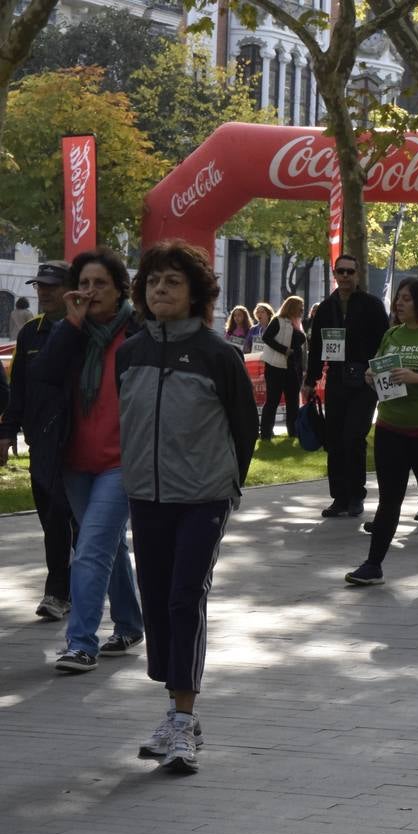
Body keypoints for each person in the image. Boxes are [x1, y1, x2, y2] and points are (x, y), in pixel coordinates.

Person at [117, 240, 257, 774]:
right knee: (155, 601)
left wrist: (229, 484)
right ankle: (175, 709)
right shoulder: (130, 353)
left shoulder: (218, 355)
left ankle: (181, 719)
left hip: (203, 497)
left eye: (172, 282)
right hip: (146, 496)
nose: (160, 290)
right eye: (153, 282)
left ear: (195, 292)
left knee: (183, 598)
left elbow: (246, 427)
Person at [29, 247, 144, 673]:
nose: (90, 291)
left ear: (119, 290)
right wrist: (72, 325)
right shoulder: (68, 331)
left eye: (100, 284)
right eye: (83, 284)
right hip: (75, 462)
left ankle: (81, 642)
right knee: (107, 544)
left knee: (90, 548)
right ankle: (130, 623)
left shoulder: (137, 332)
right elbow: (45, 377)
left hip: (122, 461)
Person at [344, 277, 418, 586]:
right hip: (391, 427)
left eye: (406, 299)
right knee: (389, 499)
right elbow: (380, 369)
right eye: (398, 298)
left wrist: (416, 377)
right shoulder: (392, 335)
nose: (399, 304)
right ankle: (373, 564)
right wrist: (373, 375)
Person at [0, 261, 74, 621]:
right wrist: (7, 430)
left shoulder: (87, 331)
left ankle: (62, 591)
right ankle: (63, 589)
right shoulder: (31, 333)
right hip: (40, 442)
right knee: (51, 518)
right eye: (39, 286)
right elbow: (19, 389)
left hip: (78, 441)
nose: (43, 292)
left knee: (71, 518)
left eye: (51, 286)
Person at [302, 253, 389, 518]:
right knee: (335, 439)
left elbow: (385, 342)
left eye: (350, 272)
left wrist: (379, 375)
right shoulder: (326, 308)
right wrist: (310, 380)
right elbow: (316, 346)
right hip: (337, 380)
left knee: (354, 438)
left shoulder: (372, 305)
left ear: (358, 274)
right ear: (335, 274)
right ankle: (339, 497)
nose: (345, 276)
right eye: (341, 272)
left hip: (364, 381)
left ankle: (356, 495)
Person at [259, 295, 306, 439]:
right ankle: (266, 433)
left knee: (293, 402)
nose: (302, 310)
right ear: (292, 307)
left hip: (293, 368)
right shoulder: (277, 321)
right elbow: (266, 337)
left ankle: (293, 432)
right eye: (300, 308)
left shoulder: (297, 323)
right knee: (272, 400)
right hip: (275, 367)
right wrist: (284, 349)